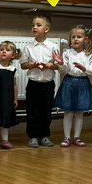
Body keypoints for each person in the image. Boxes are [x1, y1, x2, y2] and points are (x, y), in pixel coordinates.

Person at [52, 25, 92, 146]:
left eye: (79, 37)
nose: (76, 39)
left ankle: (77, 137)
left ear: (86, 39)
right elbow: (63, 71)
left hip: (83, 84)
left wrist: (84, 68)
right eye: (73, 37)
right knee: (68, 112)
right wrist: (61, 63)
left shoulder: (90, 54)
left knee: (79, 112)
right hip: (69, 82)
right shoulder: (67, 53)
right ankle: (66, 137)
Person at [20, 15, 60, 148]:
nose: (34, 27)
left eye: (38, 25)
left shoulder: (53, 46)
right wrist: (32, 64)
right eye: (33, 25)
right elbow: (23, 65)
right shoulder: (28, 47)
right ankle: (33, 136)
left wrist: (49, 65)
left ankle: (44, 136)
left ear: (46, 29)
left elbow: (58, 65)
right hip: (33, 84)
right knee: (33, 111)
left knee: (46, 111)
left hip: (48, 85)